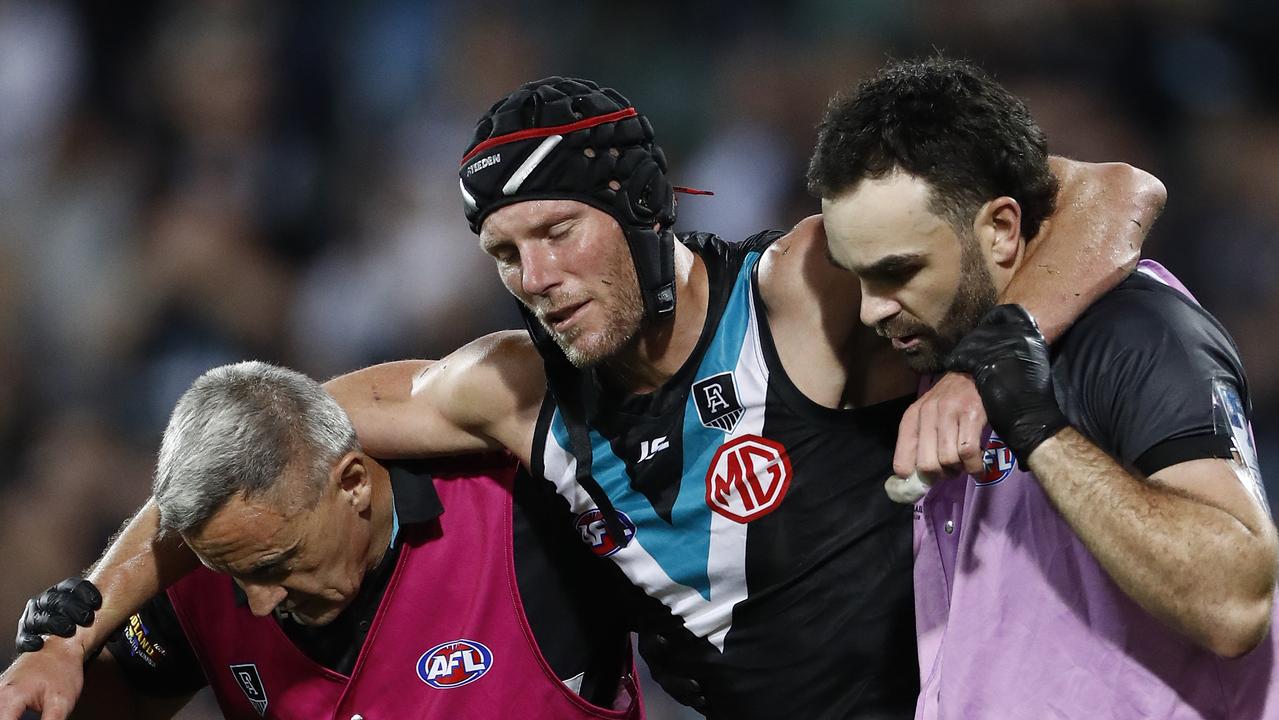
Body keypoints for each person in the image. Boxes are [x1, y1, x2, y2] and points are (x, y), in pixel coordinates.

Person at [2, 76, 1166, 720]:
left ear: (641, 207)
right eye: (504, 252)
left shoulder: (797, 292)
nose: (535, 280)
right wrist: (73, 629)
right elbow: (248, 447)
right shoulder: (504, 391)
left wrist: (984, 359)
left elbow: (1107, 189)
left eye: (558, 231)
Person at [808, 56, 1279, 718]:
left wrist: (1039, 431)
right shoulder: (938, 351)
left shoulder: (1133, 328)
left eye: (897, 271)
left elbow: (1233, 601)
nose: (871, 309)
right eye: (856, 276)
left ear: (1000, 228)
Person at [39, 361, 640, 719]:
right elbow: (113, 701)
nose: (258, 602)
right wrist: (57, 657)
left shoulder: (526, 513)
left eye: (278, 564)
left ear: (352, 483)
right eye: (233, 573)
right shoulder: (212, 568)